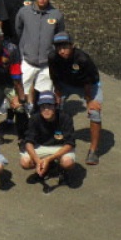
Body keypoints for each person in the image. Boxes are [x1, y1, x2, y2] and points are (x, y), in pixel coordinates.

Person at [48, 32, 102, 165]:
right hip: (65, 84)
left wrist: (89, 102)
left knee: (94, 113)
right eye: (59, 48)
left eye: (65, 47)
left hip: (88, 86)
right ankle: (55, 141)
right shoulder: (53, 57)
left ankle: (93, 151)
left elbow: (90, 81)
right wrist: (58, 94)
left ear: (72, 46)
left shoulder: (82, 59)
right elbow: (54, 77)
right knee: (52, 107)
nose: (62, 51)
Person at [16, 0, 65, 104]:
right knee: (22, 96)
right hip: (27, 61)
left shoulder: (57, 15)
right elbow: (18, 30)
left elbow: (59, 37)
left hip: (46, 64)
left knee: (45, 99)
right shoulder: (24, 12)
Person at [20, 91, 76, 187]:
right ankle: (48, 167)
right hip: (41, 146)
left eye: (49, 106)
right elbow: (28, 142)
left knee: (68, 163)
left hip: (60, 146)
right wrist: (38, 161)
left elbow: (70, 143)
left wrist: (49, 158)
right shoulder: (34, 118)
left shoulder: (65, 117)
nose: (46, 110)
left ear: (55, 106)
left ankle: (61, 170)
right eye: (43, 106)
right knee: (25, 162)